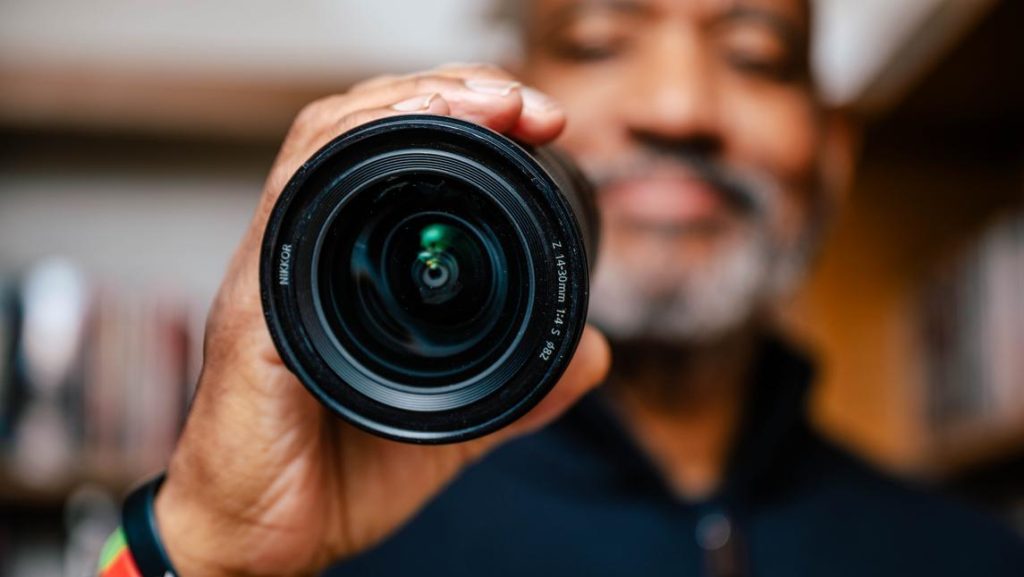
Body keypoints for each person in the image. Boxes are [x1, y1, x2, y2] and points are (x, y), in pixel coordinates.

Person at [100, 0, 1023, 576]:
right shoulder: (326, 531)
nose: (678, 107)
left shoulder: (977, 557)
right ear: (506, 108)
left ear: (832, 154)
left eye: (752, 53)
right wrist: (203, 550)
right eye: (598, 38)